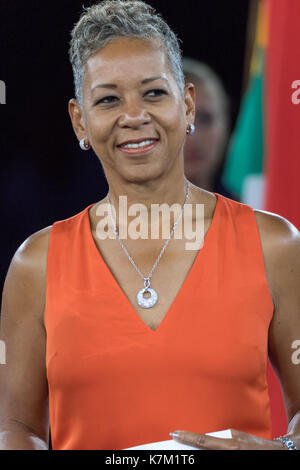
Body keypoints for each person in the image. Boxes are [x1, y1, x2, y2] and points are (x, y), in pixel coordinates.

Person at [0, 0, 300, 451]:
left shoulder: (274, 245)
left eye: (154, 93)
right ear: (80, 121)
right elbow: (15, 425)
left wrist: (287, 449)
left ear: (189, 105)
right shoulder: (36, 264)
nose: (134, 115)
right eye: (108, 99)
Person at [182, 57, 237, 200]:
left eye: (205, 119)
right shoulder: (123, 216)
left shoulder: (254, 210)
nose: (194, 136)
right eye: (180, 121)